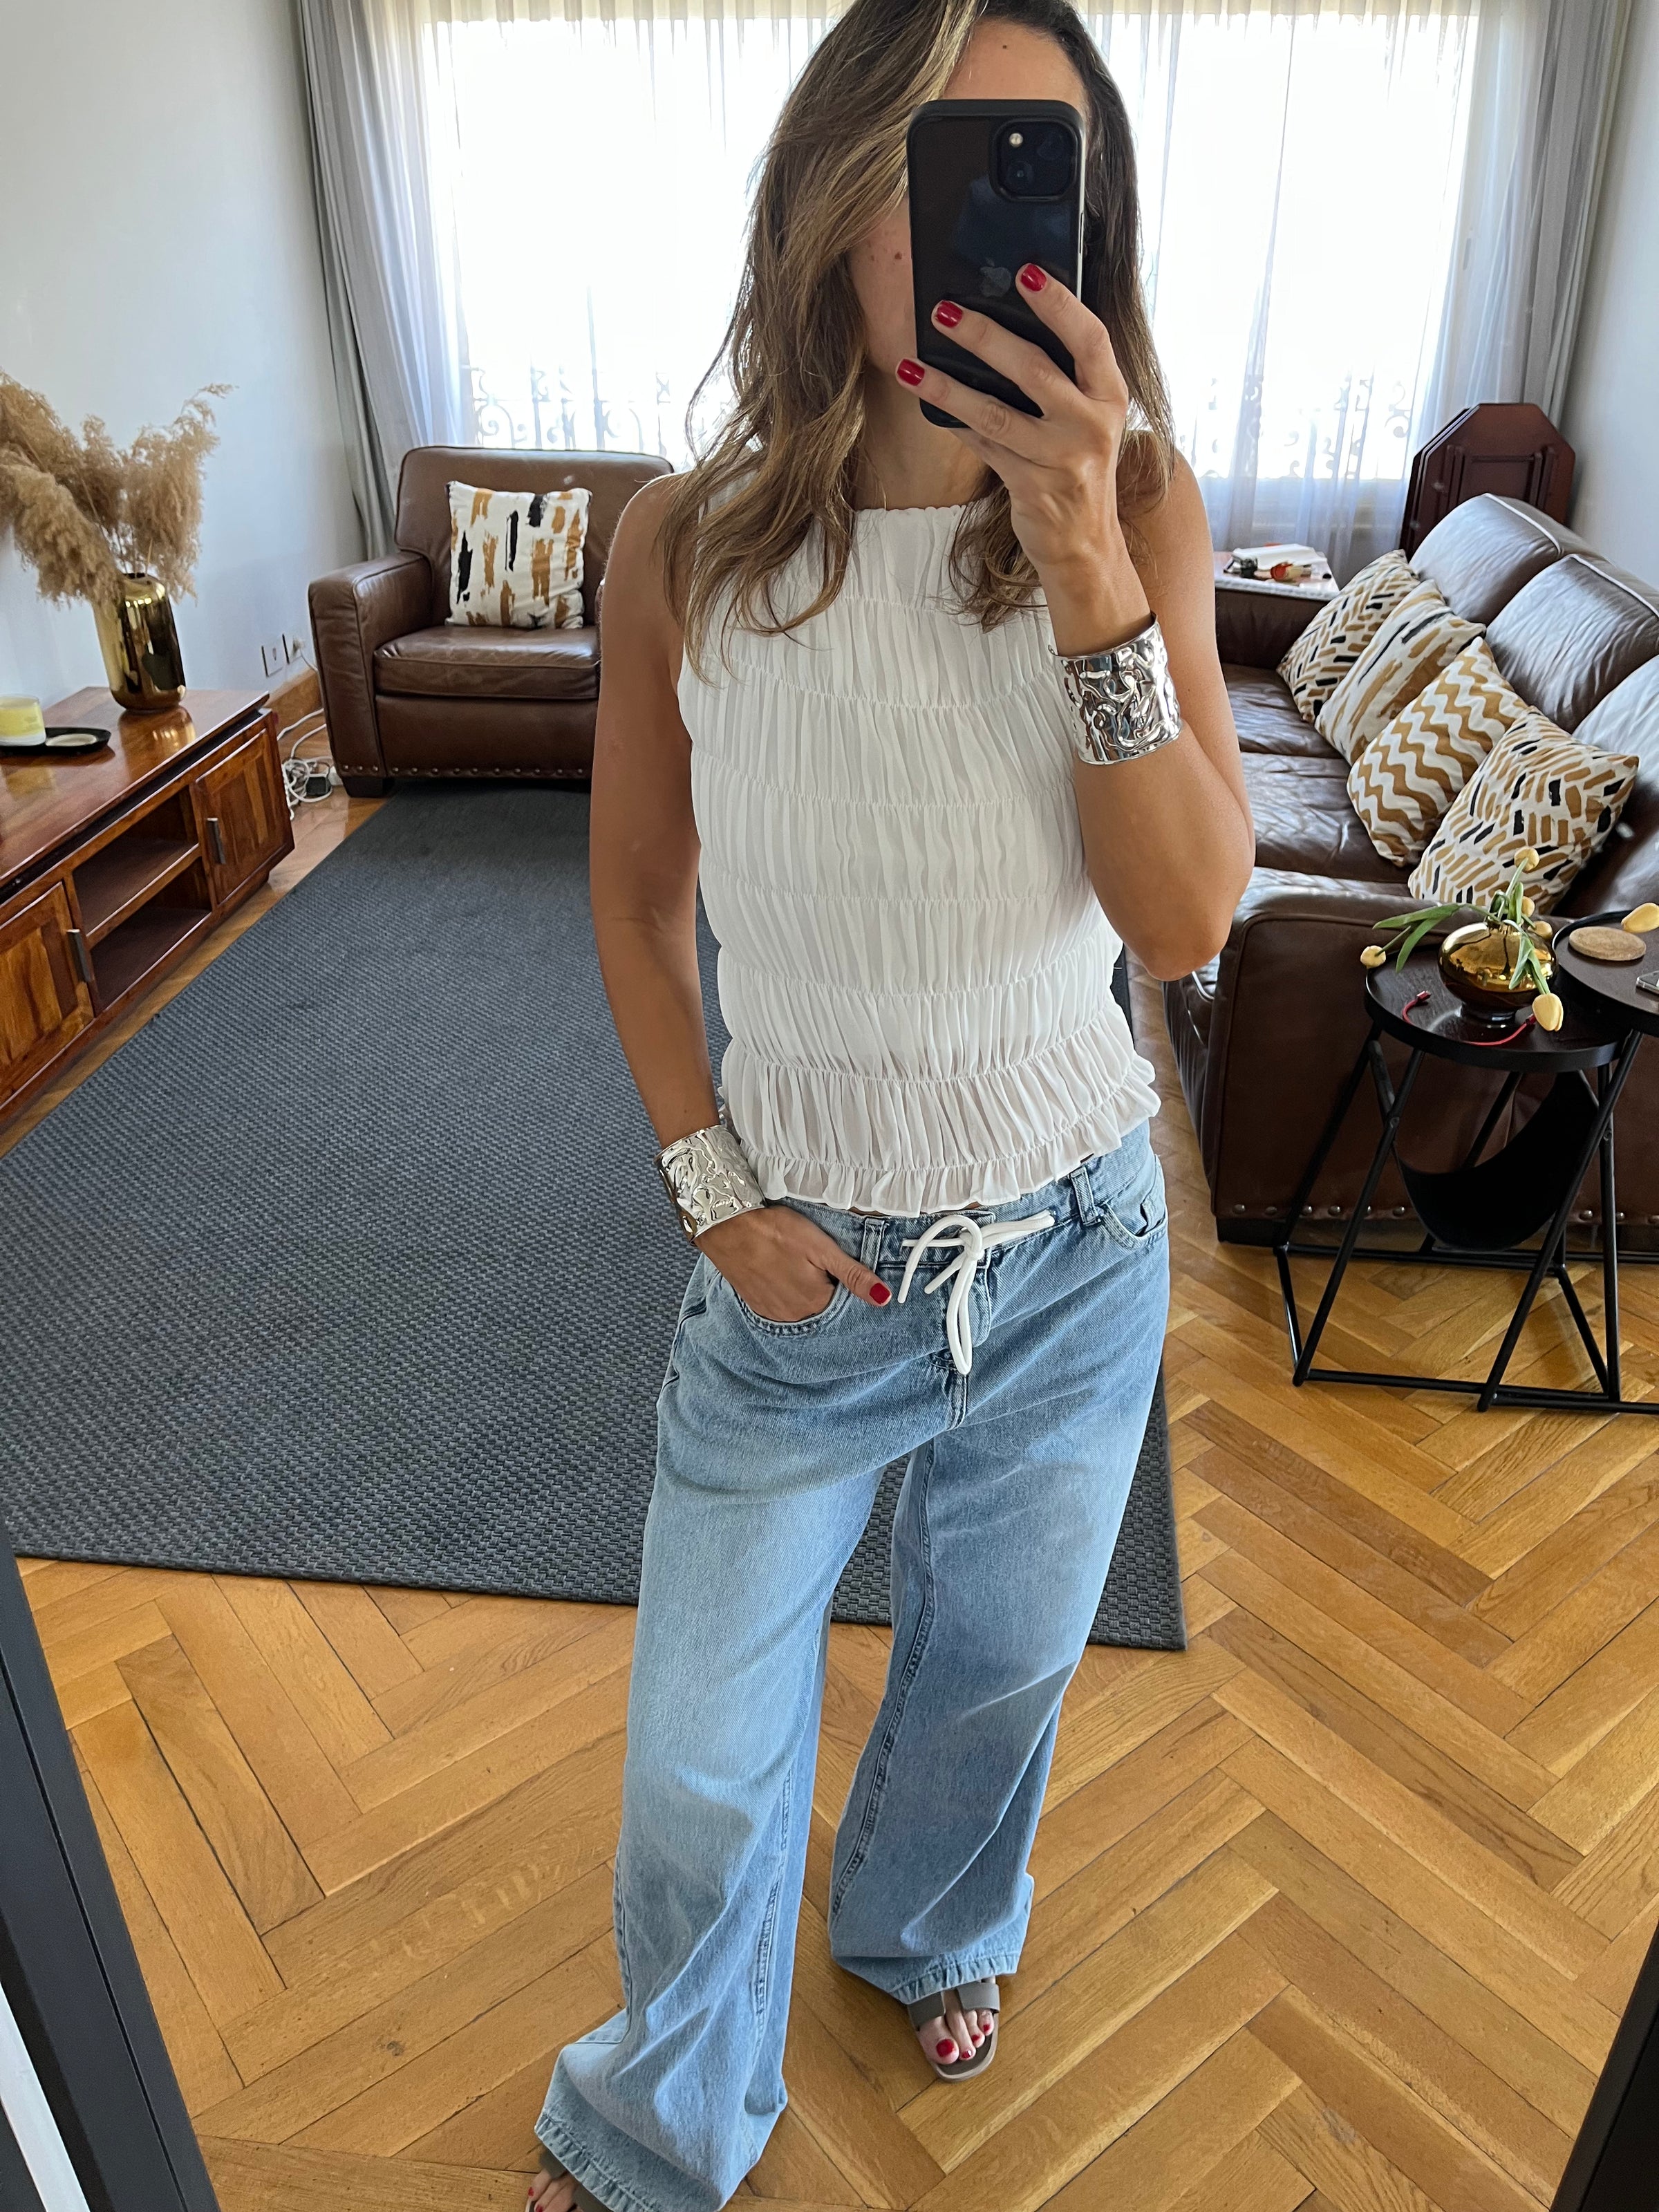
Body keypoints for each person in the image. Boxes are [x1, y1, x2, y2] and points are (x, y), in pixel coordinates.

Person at [530, 0, 1251, 2203]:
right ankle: (663, 2122)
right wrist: (707, 1188)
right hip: (795, 1278)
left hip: (1073, 1250)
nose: (981, 235)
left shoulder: (1138, 510)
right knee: (699, 1765)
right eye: (940, 166)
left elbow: (1186, 922)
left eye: (1038, 179)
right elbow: (638, 902)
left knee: (997, 1673)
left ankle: (933, 1921)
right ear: (837, 197)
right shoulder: (686, 546)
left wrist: (1087, 564)